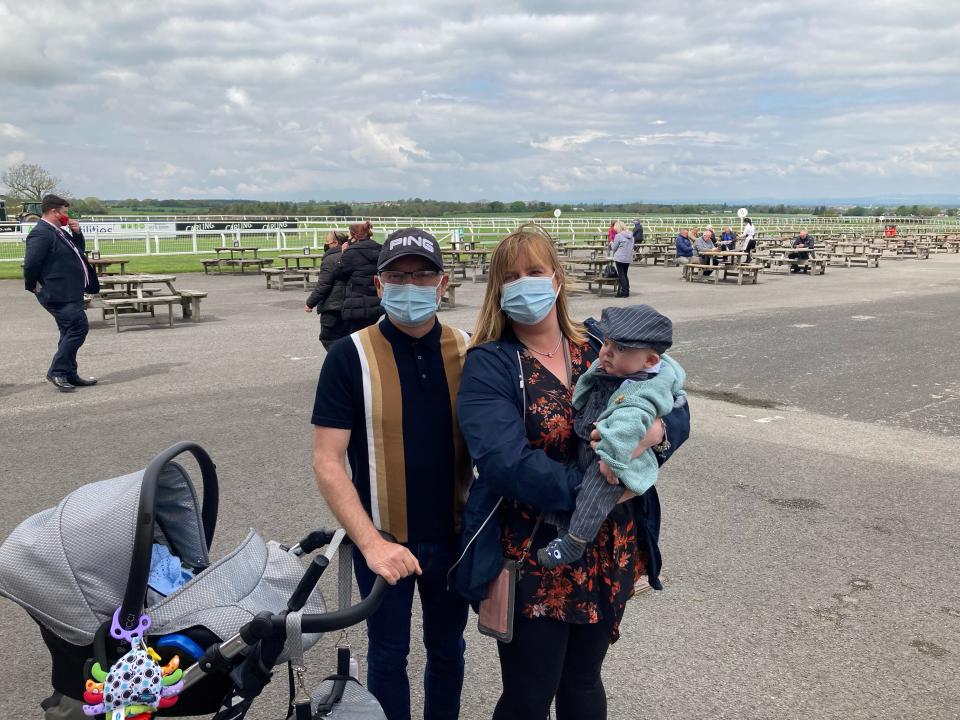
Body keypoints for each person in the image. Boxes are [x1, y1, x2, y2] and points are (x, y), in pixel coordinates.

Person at [453, 224, 690, 720]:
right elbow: (503, 462)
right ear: (498, 289)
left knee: (584, 682)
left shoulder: (601, 342)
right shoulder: (490, 363)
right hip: (534, 551)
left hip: (608, 546)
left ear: (557, 278)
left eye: (535, 271)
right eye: (511, 276)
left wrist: (657, 436)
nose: (524, 283)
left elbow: (673, 397)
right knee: (529, 695)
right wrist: (599, 492)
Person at [311, 227, 472, 720]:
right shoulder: (349, 355)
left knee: (448, 652)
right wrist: (371, 543)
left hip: (454, 537)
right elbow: (328, 459)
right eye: (398, 276)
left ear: (442, 284)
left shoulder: (469, 350)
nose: (411, 285)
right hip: (382, 539)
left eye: (422, 275)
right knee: (387, 655)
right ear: (379, 286)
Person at [538, 305, 686, 568]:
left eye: (620, 349)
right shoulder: (617, 368)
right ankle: (564, 533)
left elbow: (631, 426)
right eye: (606, 343)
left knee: (596, 487)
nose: (606, 352)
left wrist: (614, 459)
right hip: (587, 448)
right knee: (576, 478)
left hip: (610, 462)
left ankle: (574, 540)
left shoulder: (640, 391)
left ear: (650, 361)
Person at [22, 194, 100, 392]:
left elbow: (78, 253)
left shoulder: (59, 232)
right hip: (57, 292)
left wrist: (78, 233)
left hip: (69, 291)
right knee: (78, 328)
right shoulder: (41, 233)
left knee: (68, 332)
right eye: (65, 213)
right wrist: (34, 286)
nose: (67, 216)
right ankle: (57, 371)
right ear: (53, 211)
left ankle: (69, 374)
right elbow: (31, 264)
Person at [305, 231, 351, 349]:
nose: (325, 244)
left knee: (328, 338)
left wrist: (310, 303)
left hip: (333, 308)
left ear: (335, 243)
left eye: (327, 242)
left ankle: (340, 364)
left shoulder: (330, 259)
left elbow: (323, 284)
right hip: (351, 305)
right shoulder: (353, 255)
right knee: (348, 339)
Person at [337, 221, 385, 332]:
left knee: (357, 338)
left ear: (354, 236)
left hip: (357, 301)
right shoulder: (381, 249)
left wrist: (343, 254)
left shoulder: (351, 251)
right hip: (376, 300)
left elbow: (339, 274)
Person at [608, 220, 634, 298]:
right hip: (628, 257)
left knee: (621, 275)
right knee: (625, 274)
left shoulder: (618, 236)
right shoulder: (631, 236)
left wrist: (611, 243)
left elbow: (614, 248)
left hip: (620, 257)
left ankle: (624, 292)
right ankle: (626, 290)